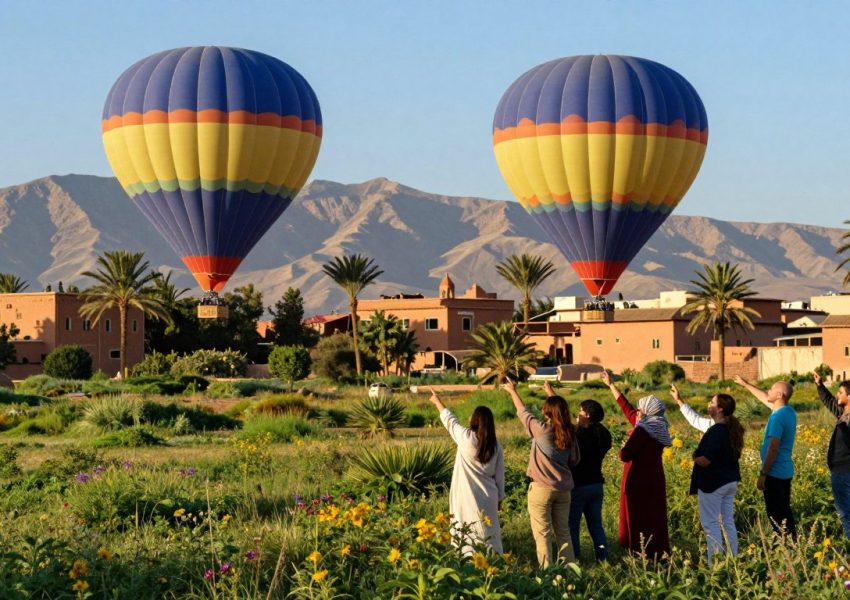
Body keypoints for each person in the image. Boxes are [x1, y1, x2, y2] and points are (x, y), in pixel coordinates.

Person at [503, 378, 579, 567]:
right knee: (563, 531)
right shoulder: (570, 433)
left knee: (542, 534)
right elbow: (575, 460)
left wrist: (513, 391)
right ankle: (570, 569)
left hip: (541, 489)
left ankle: (548, 572)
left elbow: (524, 413)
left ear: (546, 412)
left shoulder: (542, 430)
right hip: (564, 490)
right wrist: (550, 391)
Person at [601, 369, 671, 559]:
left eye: (641, 410)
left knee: (638, 516)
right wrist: (611, 385)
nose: (637, 412)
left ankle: (640, 551)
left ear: (647, 412)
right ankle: (658, 551)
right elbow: (628, 409)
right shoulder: (659, 425)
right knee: (654, 516)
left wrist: (624, 444)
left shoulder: (642, 430)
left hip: (637, 480)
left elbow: (625, 455)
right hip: (655, 479)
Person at [672, 385, 743, 564]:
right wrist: (680, 401)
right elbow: (695, 419)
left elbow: (706, 460)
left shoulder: (717, 431)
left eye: (712, 402)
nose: (708, 404)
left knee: (710, 524)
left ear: (720, 409)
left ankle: (716, 564)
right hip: (729, 481)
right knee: (727, 521)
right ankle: (732, 559)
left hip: (714, 483)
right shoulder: (729, 428)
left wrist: (694, 456)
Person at [428, 388, 504, 554]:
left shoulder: (466, 438)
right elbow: (500, 477)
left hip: (467, 497)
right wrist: (500, 499)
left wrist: (437, 401)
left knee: (466, 534)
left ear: (475, 421)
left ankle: (469, 566)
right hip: (489, 497)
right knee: (490, 534)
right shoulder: (496, 445)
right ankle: (494, 564)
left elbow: (450, 421)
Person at [735, 375, 797, 540]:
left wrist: (763, 474)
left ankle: (785, 549)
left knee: (776, 515)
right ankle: (793, 544)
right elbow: (764, 397)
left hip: (774, 473)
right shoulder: (788, 411)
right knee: (784, 511)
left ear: (779, 395)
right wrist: (746, 383)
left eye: (772, 389)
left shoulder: (777, 417)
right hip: (785, 471)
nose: (767, 391)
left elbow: (773, 448)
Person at [565, 387, 612, 562]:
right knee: (596, 526)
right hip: (596, 485)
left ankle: (575, 559)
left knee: (572, 526)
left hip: (578, 486)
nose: (578, 414)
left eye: (580, 411)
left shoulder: (579, 434)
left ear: (587, 415)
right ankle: (603, 558)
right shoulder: (603, 434)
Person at [812, 371, 850, 538]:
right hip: (840, 469)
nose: (837, 395)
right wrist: (820, 386)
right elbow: (830, 402)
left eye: (840, 392)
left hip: (844, 470)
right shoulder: (843, 413)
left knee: (845, 512)